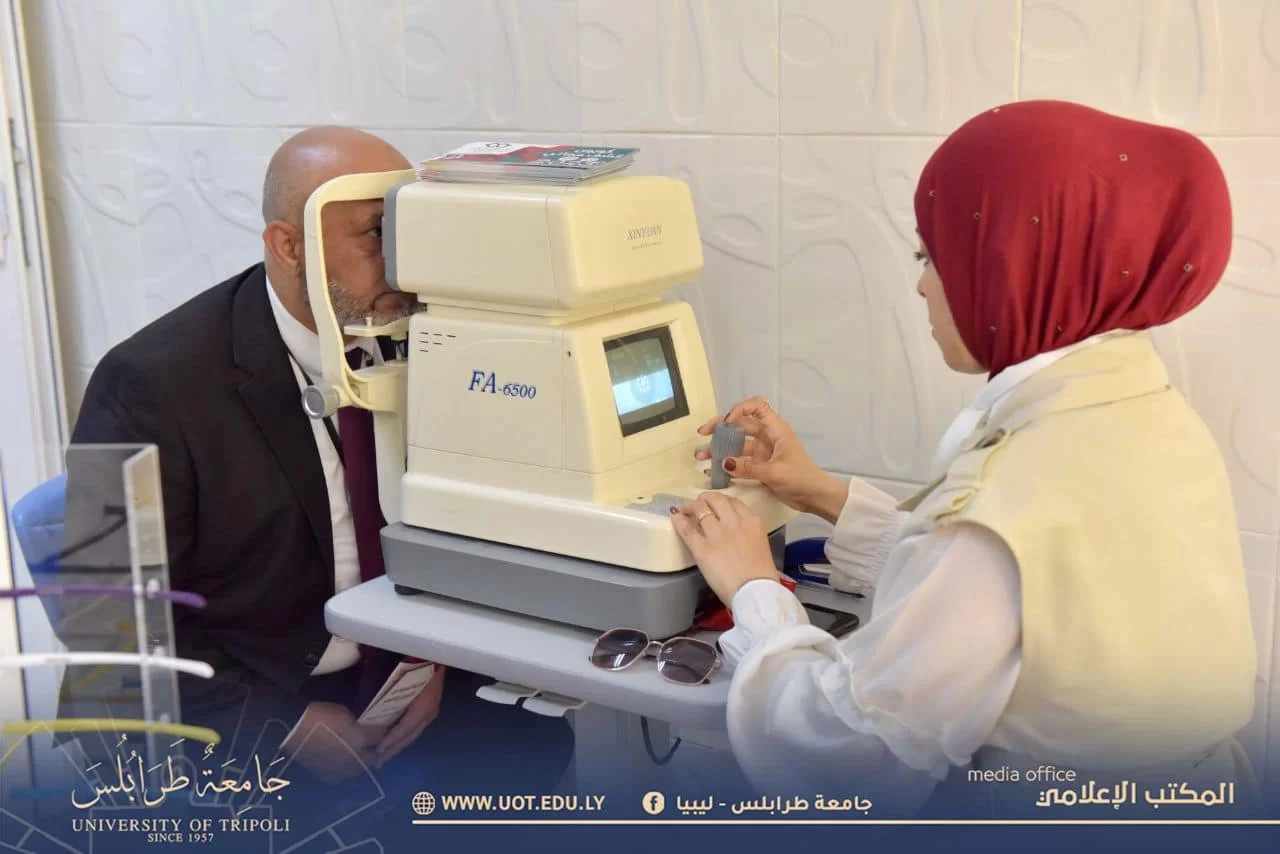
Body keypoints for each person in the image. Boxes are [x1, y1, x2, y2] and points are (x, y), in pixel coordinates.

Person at [670, 100, 1258, 816]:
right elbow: (1035, 596)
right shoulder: (1144, 411)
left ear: (1012, 263)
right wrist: (819, 493)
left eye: (931, 256)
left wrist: (753, 589)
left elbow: (845, 755)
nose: (921, 284)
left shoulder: (1006, 501)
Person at [62, 127, 573, 842]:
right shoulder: (145, 385)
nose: (404, 263)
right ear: (288, 246)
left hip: (403, 667)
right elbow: (105, 624)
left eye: (411, 230)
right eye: (376, 234)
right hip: (246, 692)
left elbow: (465, 528)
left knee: (534, 748)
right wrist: (282, 726)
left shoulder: (431, 338)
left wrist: (431, 659)